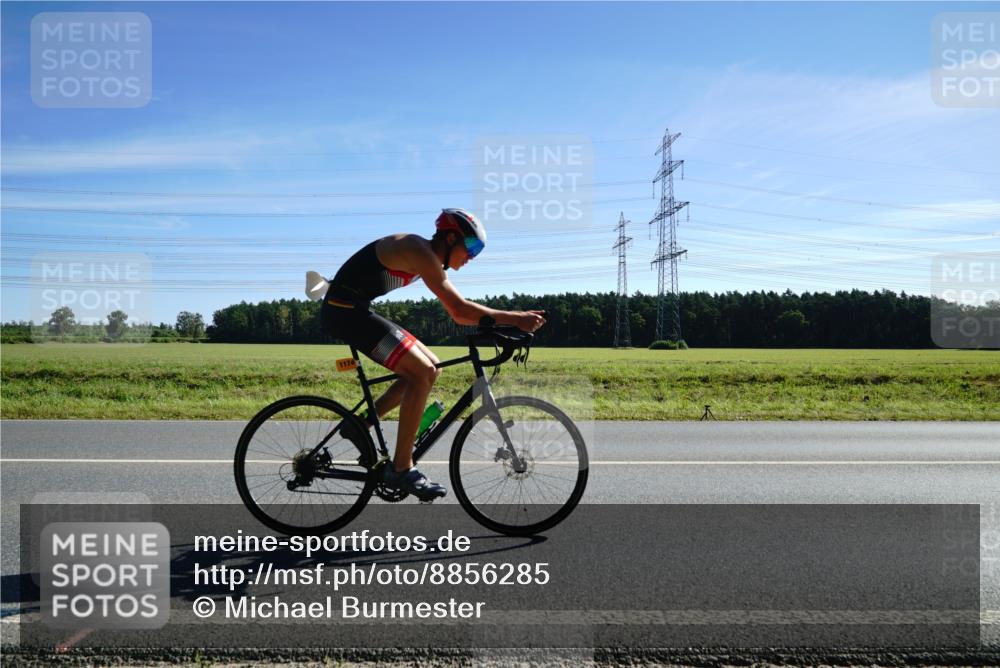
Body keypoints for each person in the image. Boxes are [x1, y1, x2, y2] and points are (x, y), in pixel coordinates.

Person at [321, 208, 546, 501]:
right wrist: (515, 318)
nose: (472, 257)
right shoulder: (419, 250)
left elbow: (462, 310)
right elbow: (459, 311)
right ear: (451, 238)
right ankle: (401, 468)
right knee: (421, 373)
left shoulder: (425, 255)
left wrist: (506, 323)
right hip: (344, 312)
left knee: (432, 367)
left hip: (354, 309)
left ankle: (359, 424)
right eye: (472, 248)